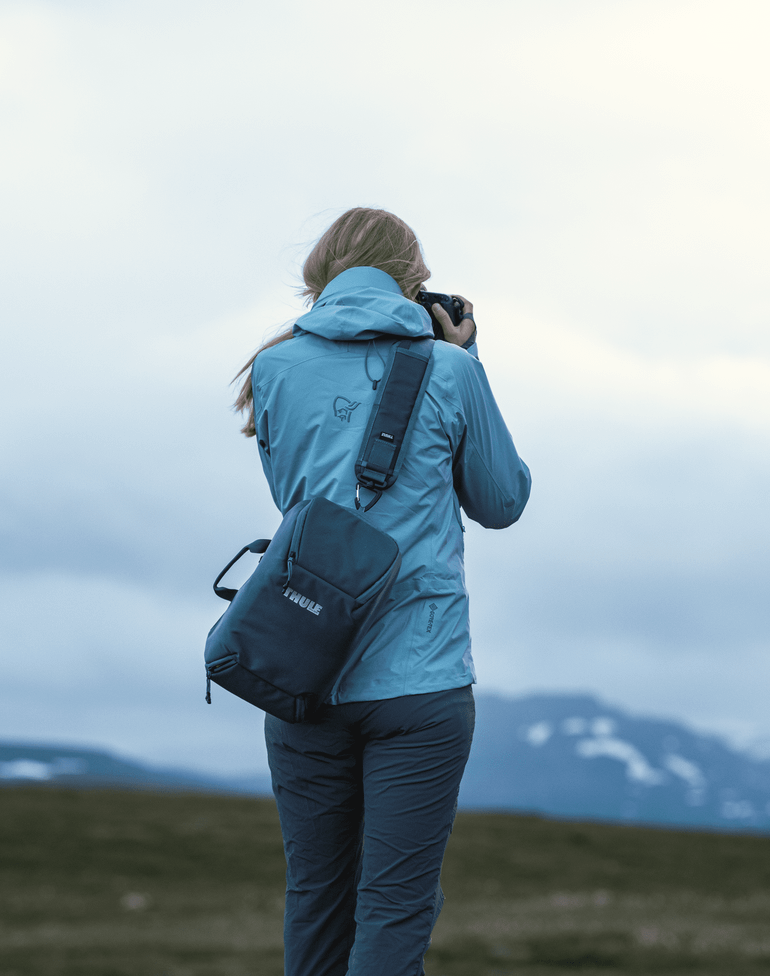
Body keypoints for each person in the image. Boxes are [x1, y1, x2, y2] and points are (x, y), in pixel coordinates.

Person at [232, 207, 531, 976]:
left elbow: (296, 501)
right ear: (413, 282)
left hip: (303, 666)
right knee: (394, 909)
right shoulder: (449, 368)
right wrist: (466, 357)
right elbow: (501, 501)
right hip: (419, 677)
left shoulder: (272, 369)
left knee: (317, 901)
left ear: (321, 276)